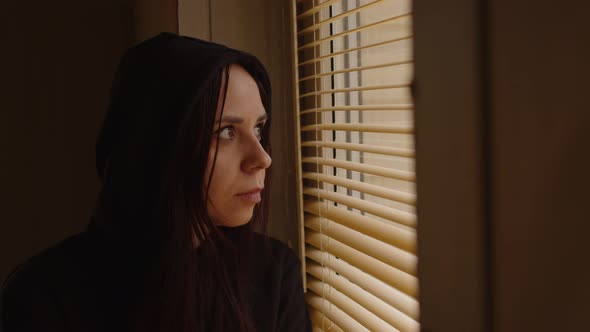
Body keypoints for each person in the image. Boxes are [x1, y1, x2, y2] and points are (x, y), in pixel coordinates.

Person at [1, 32, 311, 332]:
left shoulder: (274, 276)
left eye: (258, 129)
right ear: (157, 144)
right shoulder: (40, 300)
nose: (263, 158)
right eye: (226, 133)